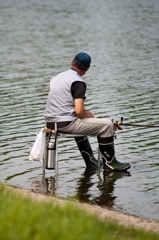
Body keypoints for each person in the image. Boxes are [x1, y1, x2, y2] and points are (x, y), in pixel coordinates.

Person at [44, 52, 131, 171]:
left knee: (82, 120)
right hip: (65, 124)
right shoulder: (78, 82)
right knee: (107, 125)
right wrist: (86, 115)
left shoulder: (57, 78)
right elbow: (79, 111)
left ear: (72, 63)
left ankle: (90, 162)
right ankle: (111, 163)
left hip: (50, 122)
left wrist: (85, 115)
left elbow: (63, 105)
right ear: (87, 69)